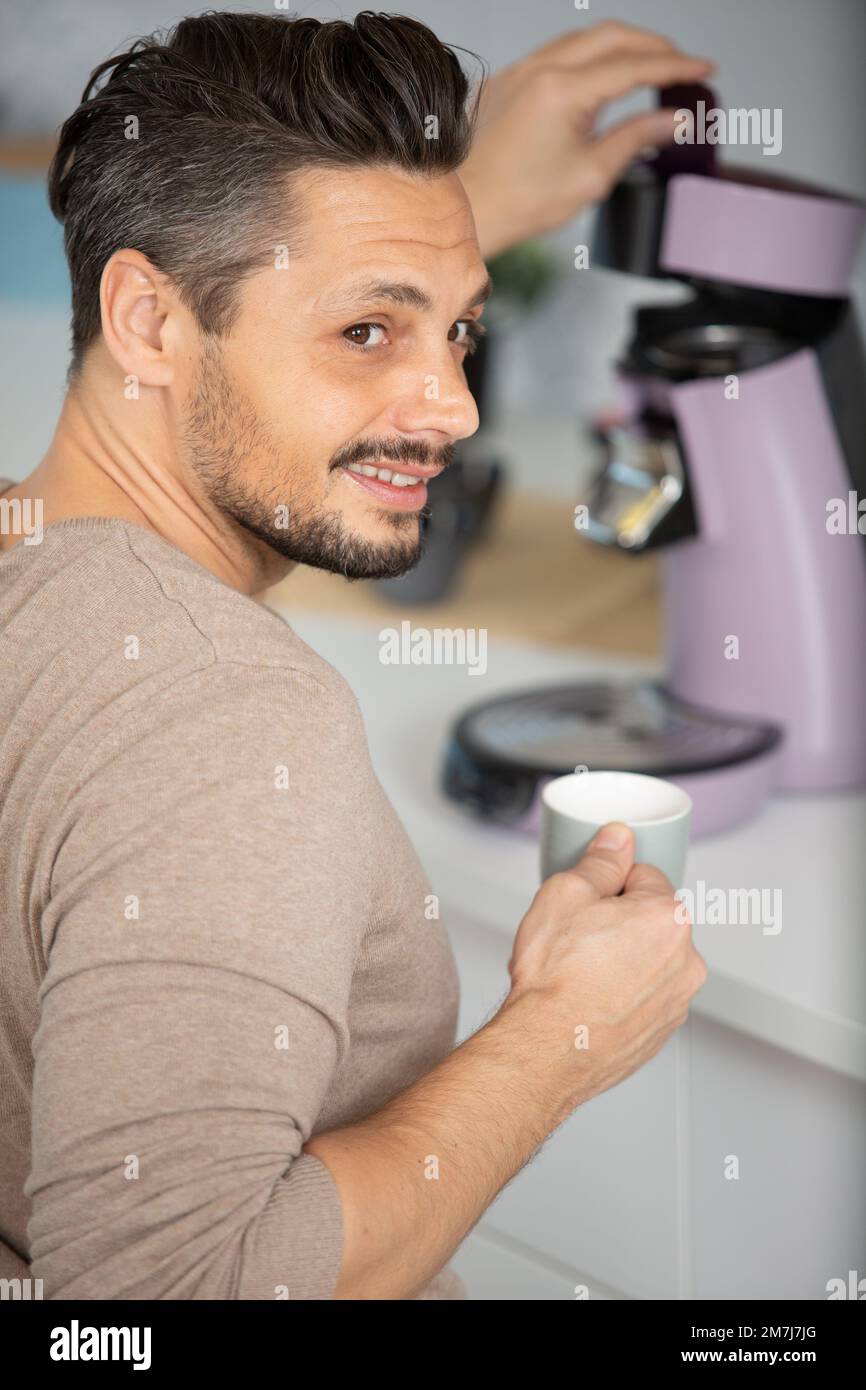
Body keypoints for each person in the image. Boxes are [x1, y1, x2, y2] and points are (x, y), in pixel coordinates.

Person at [0, 10, 709, 1300]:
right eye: (372, 332)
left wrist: (404, 264)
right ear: (148, 324)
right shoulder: (226, 716)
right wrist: (563, 1036)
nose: (456, 405)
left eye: (459, 331)